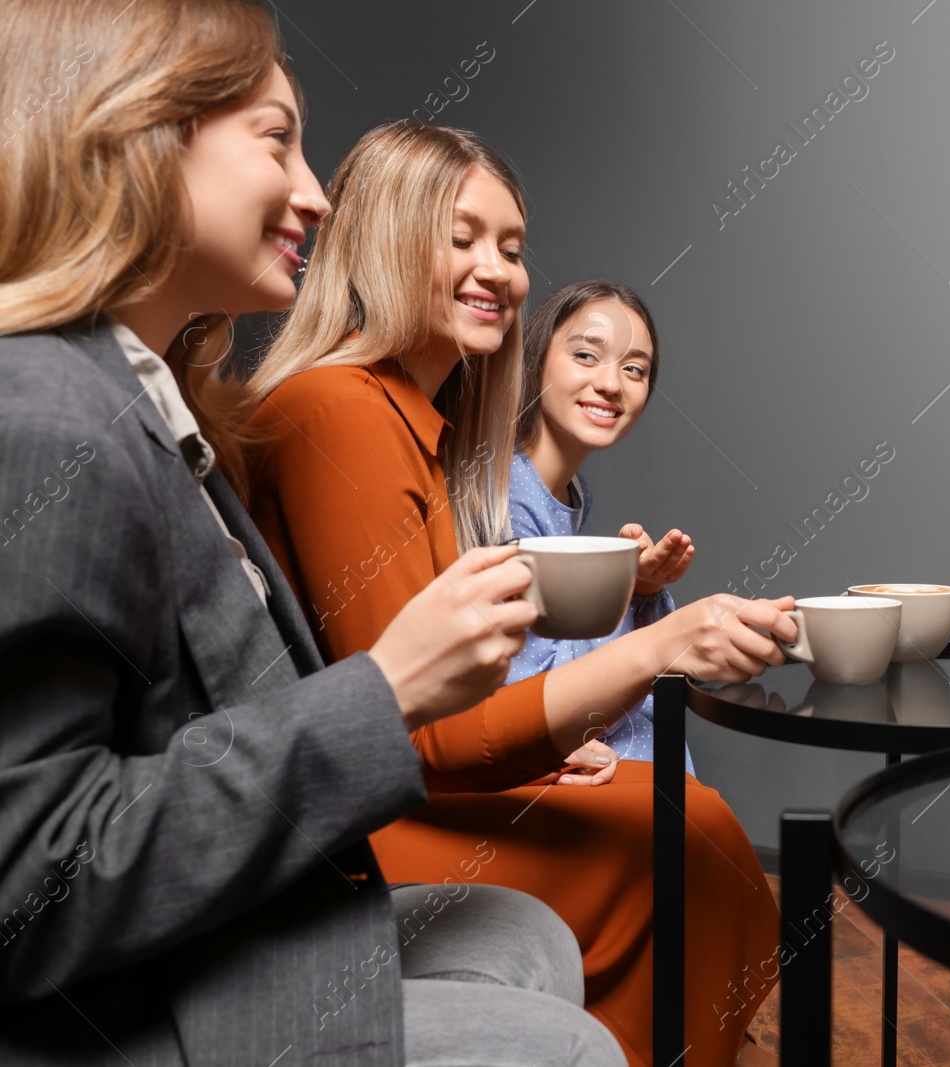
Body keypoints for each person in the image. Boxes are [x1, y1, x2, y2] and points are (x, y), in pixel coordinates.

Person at [0, 2, 624, 1065]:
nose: (315, 194)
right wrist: (386, 690)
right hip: (115, 1012)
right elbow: (29, 892)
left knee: (519, 928)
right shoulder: (50, 417)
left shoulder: (152, 403)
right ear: (140, 130)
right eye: (276, 138)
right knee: (568, 1046)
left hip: (215, 922)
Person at [245, 121, 790, 1067]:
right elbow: (415, 730)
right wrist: (663, 645)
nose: (496, 269)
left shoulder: (415, 424)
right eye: (460, 238)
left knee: (685, 824)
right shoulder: (338, 409)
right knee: (687, 831)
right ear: (381, 235)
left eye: (511, 245)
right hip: (353, 822)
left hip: (391, 786)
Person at [507, 279, 696, 770]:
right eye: (587, 356)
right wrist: (624, 595)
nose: (612, 384)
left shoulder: (573, 492)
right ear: (534, 361)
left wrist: (638, 587)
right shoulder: (506, 493)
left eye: (634, 369)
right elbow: (524, 682)